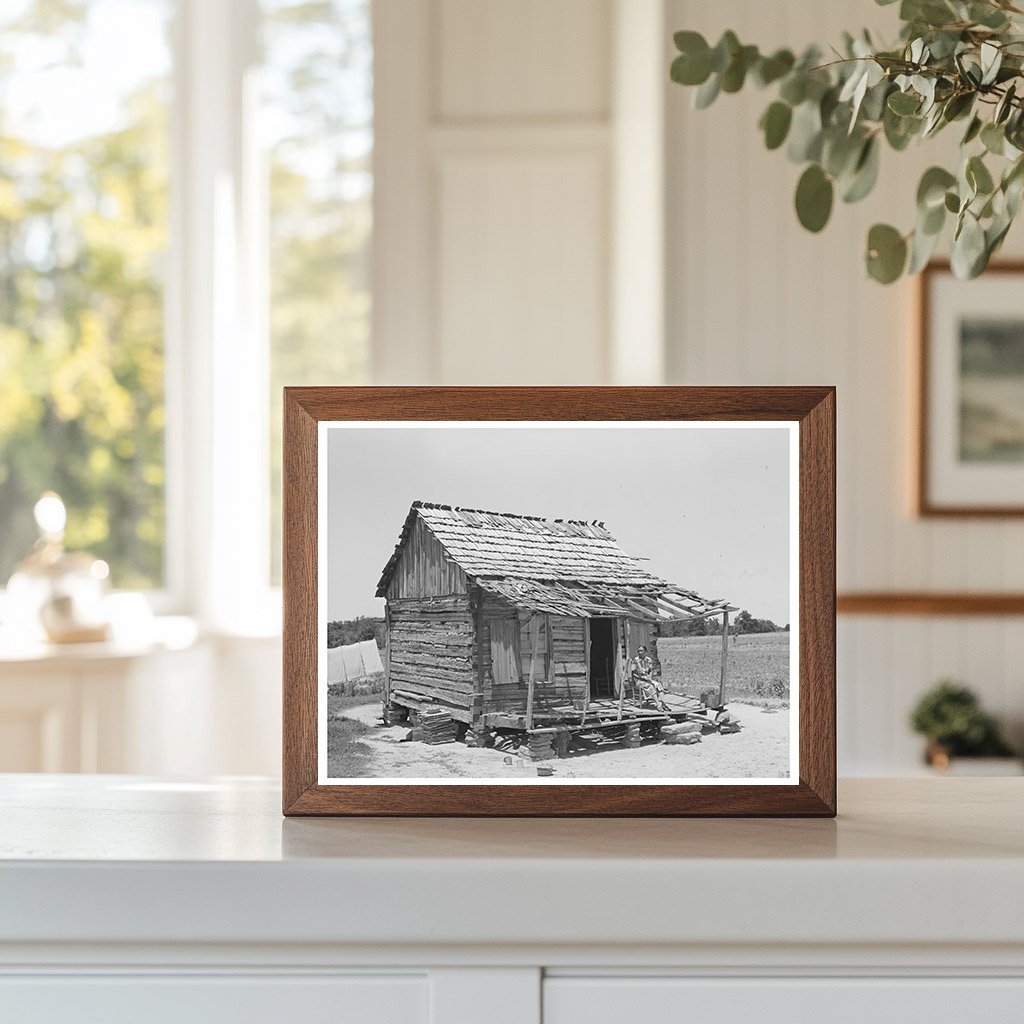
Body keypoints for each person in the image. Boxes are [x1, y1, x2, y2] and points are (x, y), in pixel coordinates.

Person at [628, 645, 667, 709]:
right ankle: (658, 704)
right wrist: (640, 678)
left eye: (641, 651)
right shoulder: (635, 661)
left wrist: (649, 677)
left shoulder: (648, 660)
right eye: (639, 651)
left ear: (645, 652)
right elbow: (633, 673)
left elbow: (650, 671)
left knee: (658, 685)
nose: (640, 652)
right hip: (639, 680)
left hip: (647, 679)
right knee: (650, 686)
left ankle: (663, 703)